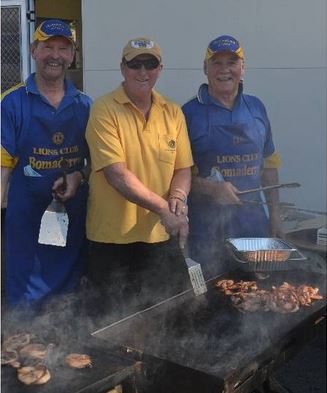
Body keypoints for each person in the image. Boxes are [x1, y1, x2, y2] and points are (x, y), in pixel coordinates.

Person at [85, 37, 193, 320]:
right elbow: (116, 174)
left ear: (160, 68)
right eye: (135, 64)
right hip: (112, 239)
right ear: (122, 68)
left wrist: (178, 198)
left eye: (150, 64)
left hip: (160, 236)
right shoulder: (103, 109)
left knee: (169, 318)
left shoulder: (173, 112)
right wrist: (162, 208)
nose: (142, 72)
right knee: (111, 324)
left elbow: (182, 168)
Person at [1, 19, 92, 306]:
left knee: (68, 303)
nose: (55, 55)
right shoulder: (11, 103)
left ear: (73, 55)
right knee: (25, 305)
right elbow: (2, 167)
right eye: (47, 47)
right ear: (33, 50)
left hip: (72, 221)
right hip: (24, 223)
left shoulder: (87, 106)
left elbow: (97, 163)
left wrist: (78, 176)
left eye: (63, 48)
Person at [182, 35, 282, 278]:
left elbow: (269, 164)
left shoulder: (257, 108)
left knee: (257, 297)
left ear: (243, 68)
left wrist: (276, 216)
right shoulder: (187, 114)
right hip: (205, 232)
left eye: (232, 62)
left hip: (254, 228)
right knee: (206, 300)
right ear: (205, 68)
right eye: (216, 62)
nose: (224, 70)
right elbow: (176, 176)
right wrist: (211, 189)